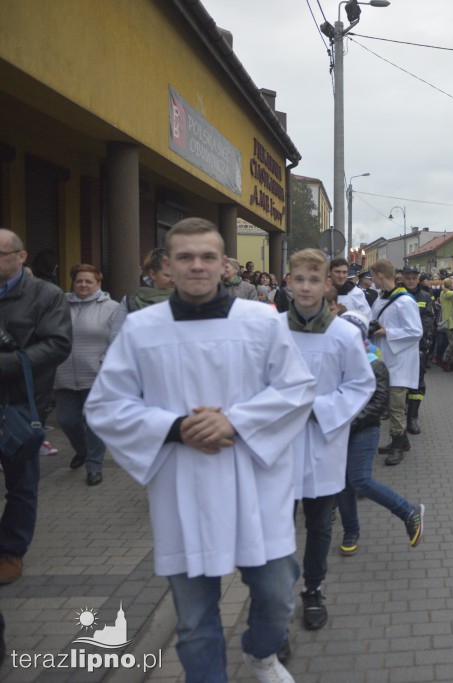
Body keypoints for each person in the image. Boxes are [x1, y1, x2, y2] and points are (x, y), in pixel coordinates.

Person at [84, 218, 316, 681]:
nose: (197, 266)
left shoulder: (261, 321)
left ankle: (260, 653)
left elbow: (297, 389)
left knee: (276, 598)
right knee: (193, 623)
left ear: (225, 265)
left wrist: (233, 420)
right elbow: (107, 405)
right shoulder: (142, 328)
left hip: (255, 481)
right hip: (182, 483)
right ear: (166, 266)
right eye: (185, 257)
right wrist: (176, 427)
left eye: (208, 257)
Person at [282, 249, 374, 631]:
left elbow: (360, 384)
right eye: (298, 279)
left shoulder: (344, 334)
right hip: (278, 445)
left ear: (327, 285)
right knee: (279, 528)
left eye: (313, 280)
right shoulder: (271, 329)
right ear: (288, 282)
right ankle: (280, 598)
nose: (305, 287)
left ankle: (313, 588)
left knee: (319, 525)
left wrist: (317, 409)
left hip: (323, 441)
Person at [0, 229, 71, 584]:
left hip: (21, 406)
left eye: (1, 254)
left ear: (21, 257)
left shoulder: (46, 295)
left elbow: (57, 345)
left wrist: (7, 364)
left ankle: (11, 550)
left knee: (21, 483)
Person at [336, 310, 424, 559]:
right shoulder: (333, 359)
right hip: (338, 429)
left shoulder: (374, 361)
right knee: (343, 485)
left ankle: (408, 511)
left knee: (360, 480)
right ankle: (351, 531)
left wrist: (349, 423)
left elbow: (378, 403)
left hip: (364, 429)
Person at [54, 264, 119, 486]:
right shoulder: (60, 305)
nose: (83, 285)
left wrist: (106, 362)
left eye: (88, 281)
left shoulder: (112, 308)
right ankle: (81, 450)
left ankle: (94, 466)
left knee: (94, 423)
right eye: (79, 281)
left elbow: (118, 340)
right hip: (63, 374)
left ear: (98, 284)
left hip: (96, 375)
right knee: (67, 421)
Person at [370, 260, 422, 466]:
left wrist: (387, 332)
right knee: (390, 405)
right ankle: (400, 441)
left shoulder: (404, 301)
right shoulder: (380, 299)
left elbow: (416, 331)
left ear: (380, 275)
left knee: (396, 406)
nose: (372, 280)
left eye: (373, 276)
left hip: (399, 360)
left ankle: (398, 445)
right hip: (383, 358)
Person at [399, 266, 433, 431]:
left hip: (418, 345)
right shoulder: (395, 295)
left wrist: (425, 342)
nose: (411, 280)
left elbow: (428, 320)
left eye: (414, 277)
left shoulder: (426, 296)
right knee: (398, 382)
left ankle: (413, 417)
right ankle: (398, 411)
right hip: (398, 345)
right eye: (408, 278)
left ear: (418, 279)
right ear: (402, 278)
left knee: (417, 381)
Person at [438, 276, 453, 371]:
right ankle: (444, 361)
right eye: (452, 283)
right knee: (452, 343)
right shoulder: (444, 293)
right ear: (448, 284)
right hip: (449, 322)